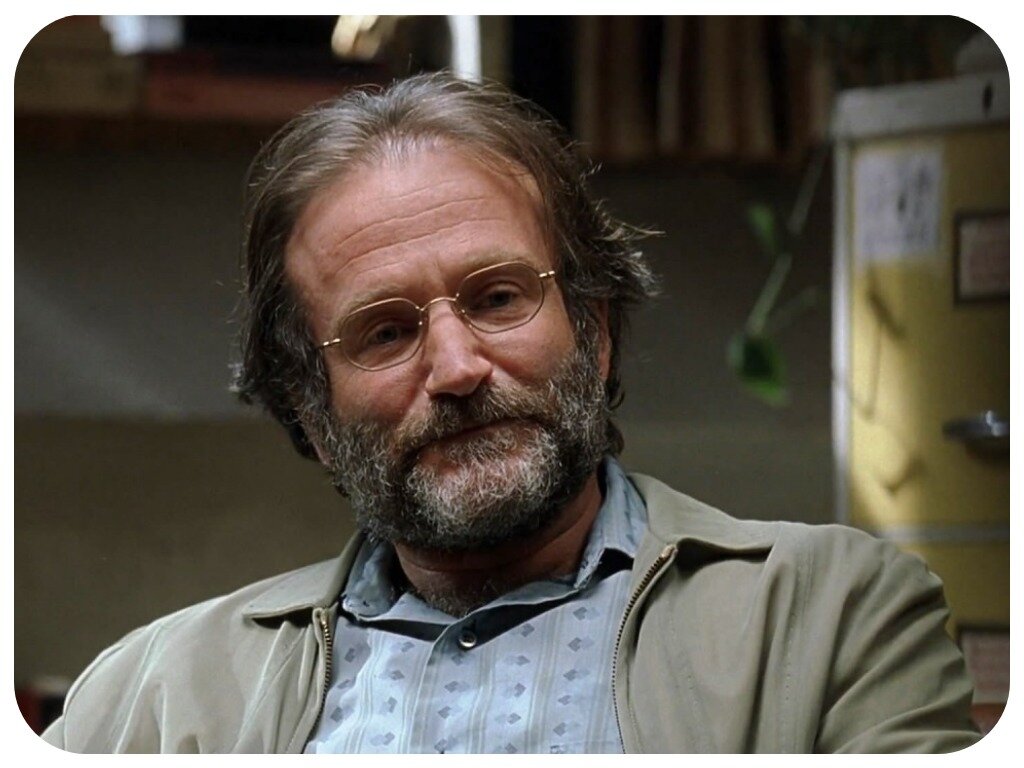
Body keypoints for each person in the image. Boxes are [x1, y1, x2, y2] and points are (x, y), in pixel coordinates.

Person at [40, 72, 980, 754]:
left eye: (497, 299)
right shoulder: (144, 704)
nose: (456, 368)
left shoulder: (834, 620)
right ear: (314, 415)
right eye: (385, 332)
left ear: (595, 332)